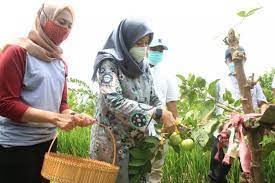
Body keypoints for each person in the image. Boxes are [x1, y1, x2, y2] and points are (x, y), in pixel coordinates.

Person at [0, 2, 95, 183]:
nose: (65, 29)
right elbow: (5, 103)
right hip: (16, 146)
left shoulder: (59, 63)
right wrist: (54, 118)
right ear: (44, 19)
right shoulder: (17, 52)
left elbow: (62, 105)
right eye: (61, 21)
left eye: (69, 25)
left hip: (48, 145)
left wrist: (74, 116)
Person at [89, 18, 176, 183]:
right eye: (138, 43)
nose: (143, 48)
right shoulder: (108, 63)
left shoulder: (143, 66)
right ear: (125, 40)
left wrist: (163, 113)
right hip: (111, 142)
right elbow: (113, 100)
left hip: (137, 144)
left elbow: (153, 97)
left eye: (146, 43)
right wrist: (157, 113)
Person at [208, 47, 268, 183]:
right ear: (226, 61)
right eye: (230, 59)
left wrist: (264, 117)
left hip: (248, 133)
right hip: (226, 133)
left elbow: (262, 102)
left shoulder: (253, 82)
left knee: (250, 174)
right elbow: (212, 108)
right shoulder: (219, 83)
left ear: (245, 58)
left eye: (238, 58)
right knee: (216, 176)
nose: (234, 62)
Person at [147, 38, 179, 183]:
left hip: (160, 129)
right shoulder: (137, 69)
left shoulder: (167, 74)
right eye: (155, 49)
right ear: (147, 48)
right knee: (137, 166)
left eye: (160, 51)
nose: (158, 53)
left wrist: (176, 125)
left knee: (156, 170)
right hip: (139, 126)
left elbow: (171, 102)